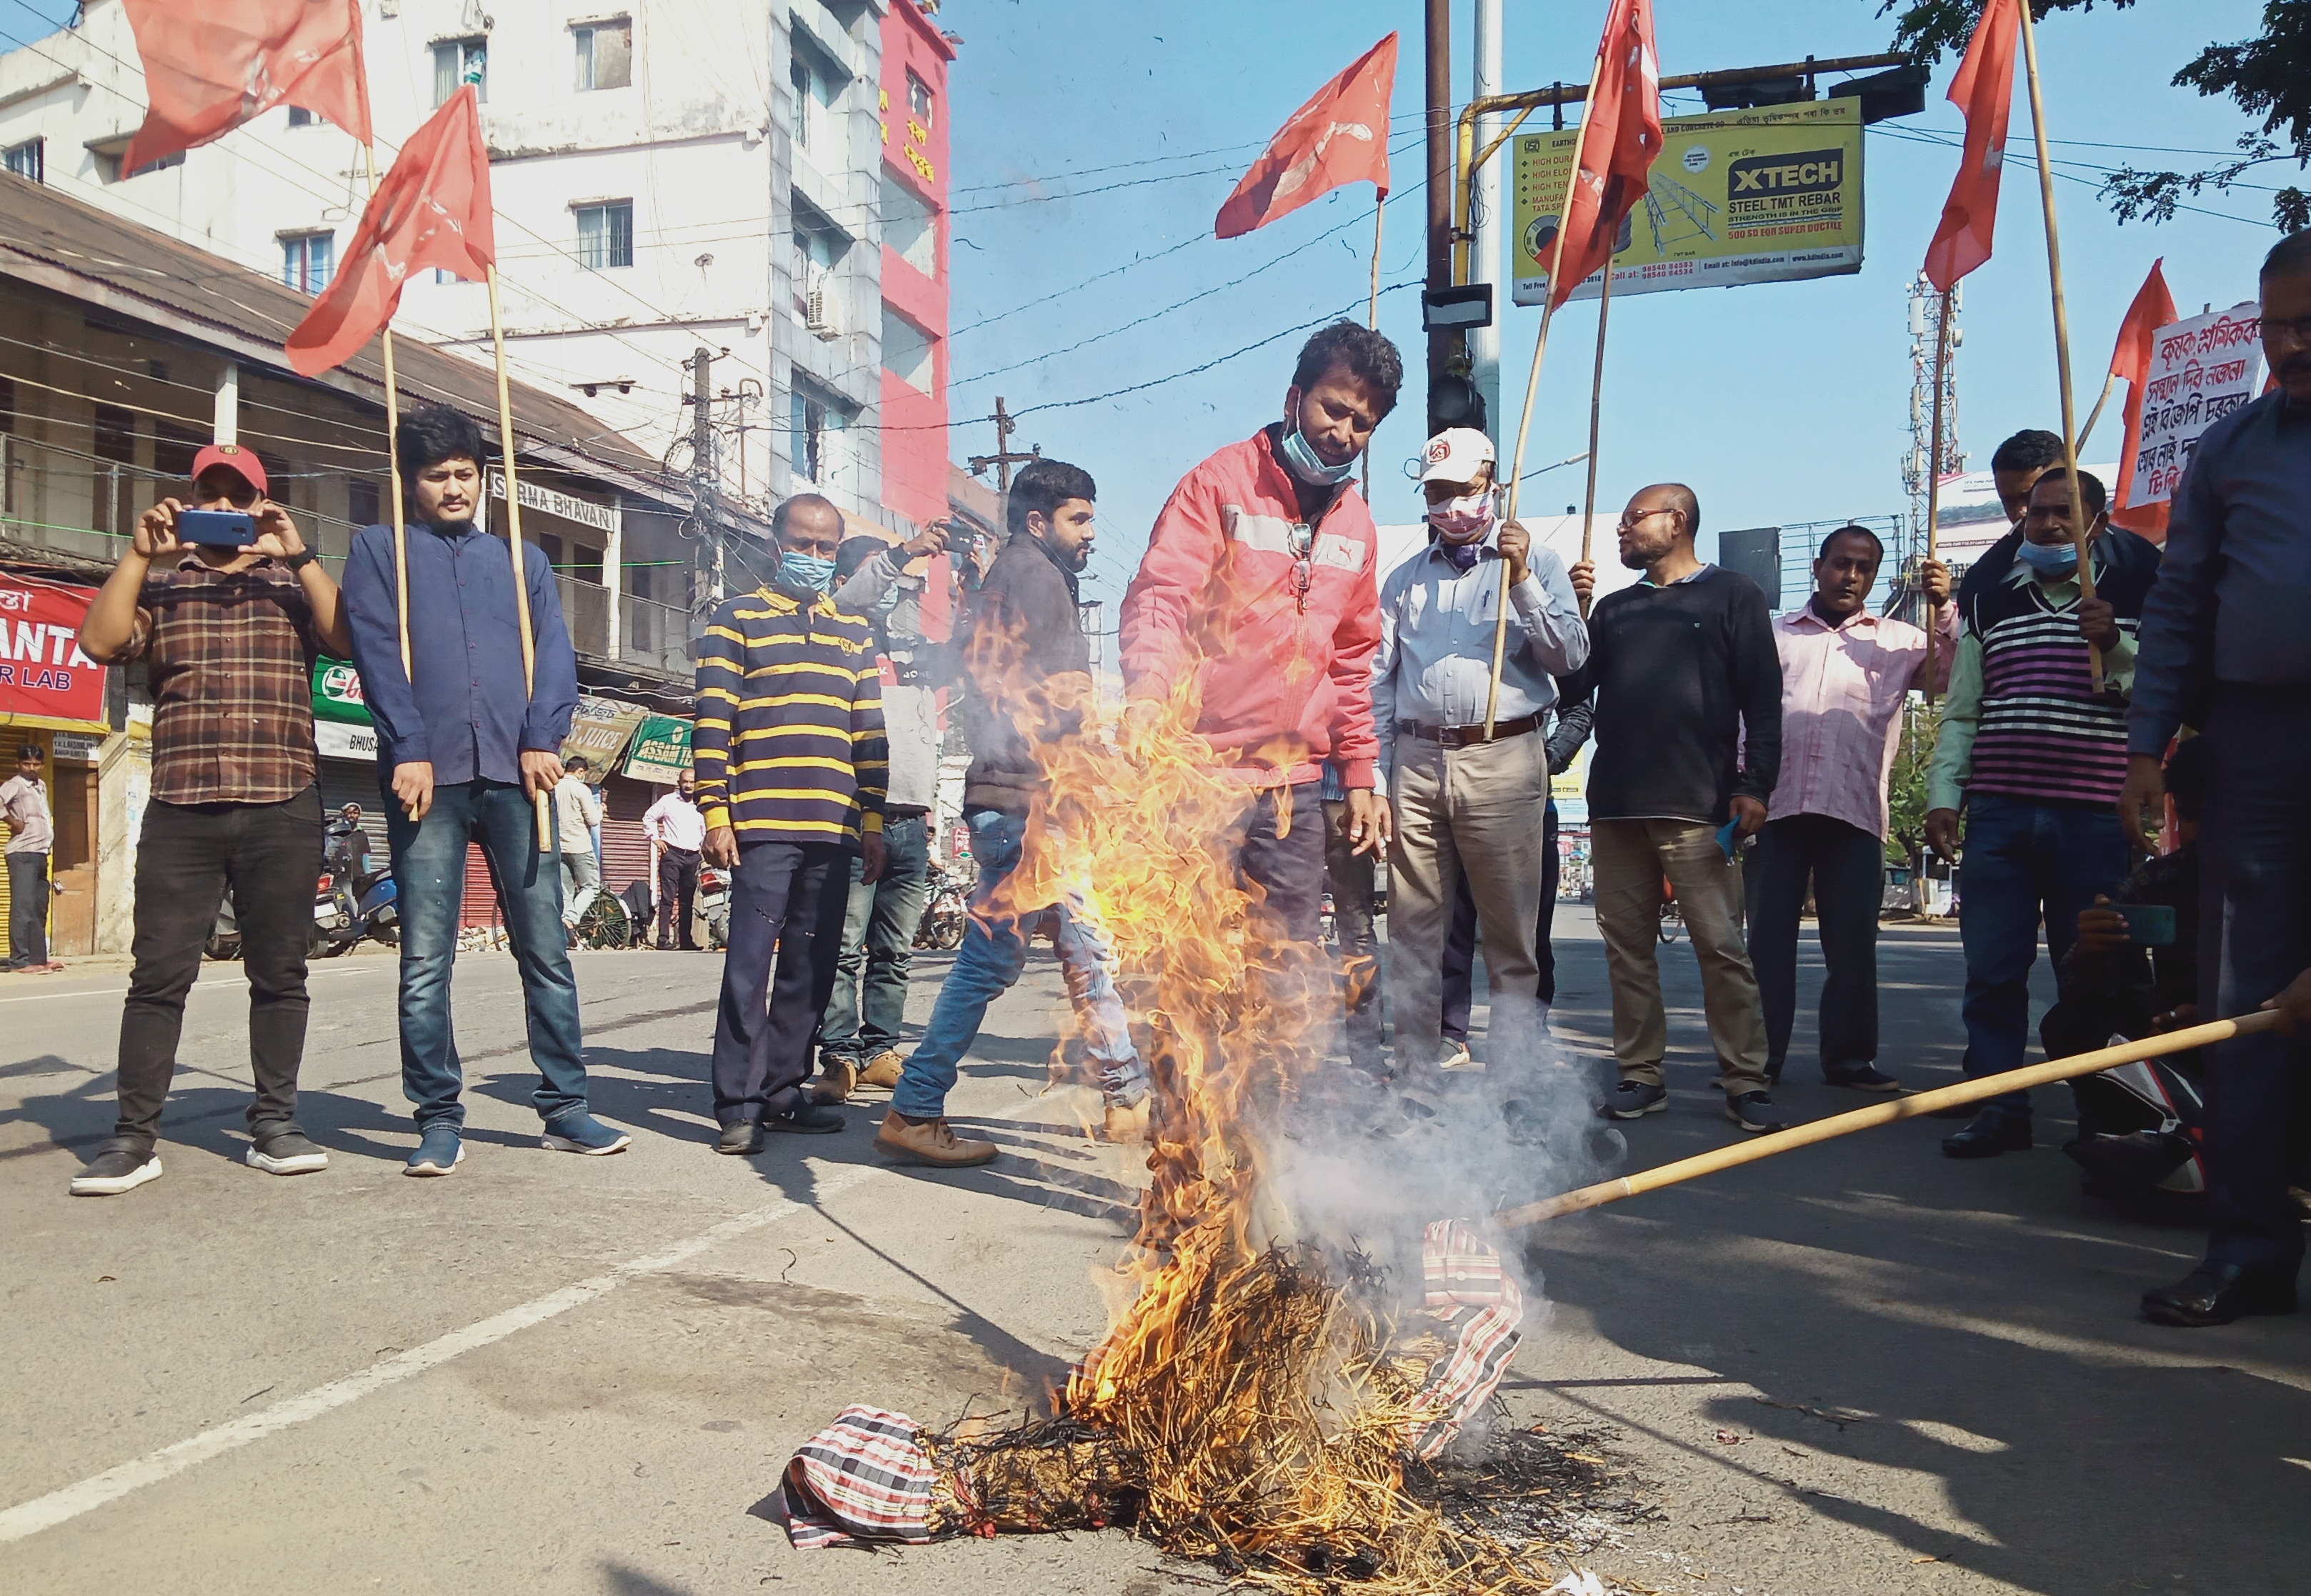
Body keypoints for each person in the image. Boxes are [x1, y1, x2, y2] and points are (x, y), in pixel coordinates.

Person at [343, 404, 627, 1175]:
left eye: (466, 473)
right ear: (410, 482)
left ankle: (566, 1107)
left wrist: (545, 736)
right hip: (425, 780)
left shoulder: (521, 561)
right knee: (426, 959)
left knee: (544, 949)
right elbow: (373, 650)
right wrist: (407, 745)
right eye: (437, 475)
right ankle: (438, 1117)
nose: (454, 487)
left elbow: (555, 656)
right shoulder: (379, 551)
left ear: (484, 478)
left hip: (515, 774)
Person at [66, 443, 350, 1194]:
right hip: (183, 807)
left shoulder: (292, 584)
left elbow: (354, 639)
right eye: (210, 496)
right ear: (189, 502)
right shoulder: (159, 588)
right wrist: (135, 553)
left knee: (280, 972)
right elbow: (98, 642)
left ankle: (275, 1123)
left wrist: (301, 552)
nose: (223, 510)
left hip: (282, 800)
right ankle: (132, 1137)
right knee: (158, 975)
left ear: (261, 505)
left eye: (239, 497)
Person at [2120, 228, 2311, 1325]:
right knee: (2248, 1000)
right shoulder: (2229, 450)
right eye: (2273, 324)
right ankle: (2246, 1246)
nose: (2288, 346)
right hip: (2255, 747)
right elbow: (2179, 606)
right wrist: (2147, 748)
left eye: (2309, 324)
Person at [880, 459, 1149, 1165]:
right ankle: (914, 1106)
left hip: (1028, 798)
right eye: (1079, 519)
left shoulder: (1022, 576)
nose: (1090, 533)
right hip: (1030, 801)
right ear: (1039, 521)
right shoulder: (1031, 573)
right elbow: (1028, 691)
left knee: (1082, 949)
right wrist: (1082, 753)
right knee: (996, 958)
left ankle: (1128, 1096)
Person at [1119, 320, 1395, 967]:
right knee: (1191, 961)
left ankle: (1281, 1075)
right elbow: (1162, 597)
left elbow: (1352, 662)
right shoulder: (1218, 484)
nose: (1344, 433)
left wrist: (1359, 773)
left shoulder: (1356, 522)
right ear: (1293, 398)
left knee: (1285, 966)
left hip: (1291, 786)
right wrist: (1148, 699)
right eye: (1334, 409)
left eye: (1363, 424)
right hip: (1199, 774)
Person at [1925, 467, 2158, 1159]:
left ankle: (2103, 1113)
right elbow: (1963, 708)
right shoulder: (1991, 598)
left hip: (2092, 817)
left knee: (2091, 973)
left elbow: (2158, 692)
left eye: (2064, 513)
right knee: (1991, 970)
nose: (2048, 524)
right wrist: (1944, 794)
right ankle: (1999, 1108)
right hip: (1999, 813)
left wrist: (2111, 639)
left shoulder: (2137, 596)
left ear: (2098, 524)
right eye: (2036, 512)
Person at [1372, 427, 1592, 1083]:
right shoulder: (1404, 579)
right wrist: (1379, 778)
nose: (1446, 506)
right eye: (1435, 493)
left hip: (1502, 755)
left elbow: (1569, 657)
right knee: (1413, 932)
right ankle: (1414, 1067)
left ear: (1491, 486)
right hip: (1414, 761)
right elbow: (1377, 683)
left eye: (1460, 491)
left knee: (1510, 933)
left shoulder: (1539, 563)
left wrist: (1520, 579)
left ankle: (1516, 1074)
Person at [1585, 483, 1786, 1134]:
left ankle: (1745, 1080)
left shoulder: (1734, 595)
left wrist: (1754, 785)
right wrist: (1570, 610)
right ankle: (1640, 1074)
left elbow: (1762, 700)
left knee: (1721, 948)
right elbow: (1570, 687)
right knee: (1626, 950)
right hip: (1616, 803)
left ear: (1676, 521)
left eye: (1631, 519)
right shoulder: (1612, 610)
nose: (1621, 530)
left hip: (1698, 804)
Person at [696, 492, 887, 1152]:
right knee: (749, 968)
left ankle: (783, 1091)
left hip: (833, 829)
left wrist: (871, 822)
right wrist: (716, 813)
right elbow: (713, 722)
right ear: (776, 546)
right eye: (801, 545)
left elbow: (869, 736)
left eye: (825, 548)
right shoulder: (736, 619)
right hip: (761, 826)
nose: (813, 558)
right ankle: (740, 1105)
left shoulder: (854, 633)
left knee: (812, 965)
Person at [1745, 527, 1953, 1092]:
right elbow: (1746, 716)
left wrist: (1943, 608)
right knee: (1766, 942)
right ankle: (1756, 1060)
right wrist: (1741, 787)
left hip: (1855, 812)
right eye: (1841, 564)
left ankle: (1850, 1060)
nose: (1851, 576)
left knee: (1854, 944)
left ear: (1875, 576)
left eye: (1864, 567)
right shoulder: (1772, 635)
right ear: (1818, 568)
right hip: (1777, 808)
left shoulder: (1899, 641)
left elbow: (1952, 677)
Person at [814, 524, 949, 1102]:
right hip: (856, 817)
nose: (897, 588)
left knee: (895, 950)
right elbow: (851, 598)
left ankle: (878, 1051)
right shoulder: (837, 632)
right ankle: (838, 1056)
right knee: (844, 948)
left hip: (911, 821)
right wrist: (903, 554)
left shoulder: (910, 650)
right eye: (885, 576)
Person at [2044, 737, 2208, 1200]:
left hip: (2266, 1047)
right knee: (2070, 1025)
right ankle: (2148, 1136)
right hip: (2181, 1052)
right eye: (2192, 815)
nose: (2204, 831)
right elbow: (2093, 992)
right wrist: (2090, 952)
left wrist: (2221, 1014)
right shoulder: (2160, 879)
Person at [1439, 677, 1592, 1059]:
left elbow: (1578, 709)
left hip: (1528, 804)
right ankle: (1451, 1033)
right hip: (1457, 792)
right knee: (1452, 927)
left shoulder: (1535, 625)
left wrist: (1548, 758)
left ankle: (1525, 1033)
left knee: (1527, 934)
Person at [3, 745, 59, 973]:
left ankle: (38, 959)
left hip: (40, 853)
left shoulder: (41, 786)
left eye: (36, 764)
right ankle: (19, 961)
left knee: (38, 907)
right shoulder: (15, 784)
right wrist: (12, 821)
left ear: (42, 766)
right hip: (22, 853)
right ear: (19, 764)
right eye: (27, 764)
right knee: (23, 907)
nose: (31, 768)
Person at [644, 769, 706, 950]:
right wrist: (655, 837)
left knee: (687, 900)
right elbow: (649, 817)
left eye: (692, 782)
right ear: (679, 782)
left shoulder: (701, 804)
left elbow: (706, 829)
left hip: (693, 857)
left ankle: (686, 941)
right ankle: (663, 939)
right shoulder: (668, 800)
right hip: (672, 854)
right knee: (668, 898)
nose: (688, 785)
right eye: (685, 782)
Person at [555, 756, 604, 935]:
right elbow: (592, 820)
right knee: (591, 887)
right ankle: (570, 919)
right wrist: (601, 811)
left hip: (559, 847)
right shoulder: (581, 790)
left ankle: (566, 930)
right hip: (580, 847)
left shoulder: (553, 788)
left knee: (565, 891)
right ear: (580, 771)